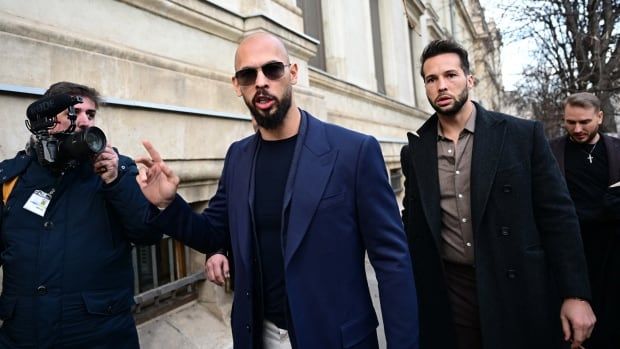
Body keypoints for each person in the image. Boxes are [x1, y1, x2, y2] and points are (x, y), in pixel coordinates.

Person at [136, 31, 419, 349]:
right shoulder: (238, 157)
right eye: (248, 74)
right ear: (237, 85)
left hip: (336, 339)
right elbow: (214, 234)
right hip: (261, 336)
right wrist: (168, 204)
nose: (261, 81)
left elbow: (392, 261)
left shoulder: (353, 151)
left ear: (293, 73)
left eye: (272, 69)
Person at [399, 39, 596, 349]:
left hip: (516, 285)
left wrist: (575, 294)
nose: (441, 86)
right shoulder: (415, 151)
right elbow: (412, 226)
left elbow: (558, 216)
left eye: (451, 75)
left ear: (469, 79)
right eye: (431, 79)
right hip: (451, 291)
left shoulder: (521, 135)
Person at [0, 81, 161, 348]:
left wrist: (115, 181)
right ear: (46, 119)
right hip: (22, 337)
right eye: (74, 113)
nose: (85, 122)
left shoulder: (117, 170)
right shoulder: (12, 177)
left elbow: (148, 233)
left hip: (100, 336)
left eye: (91, 114)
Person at [550, 92, 620, 349]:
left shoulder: (617, 150)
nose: (577, 129)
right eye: (570, 122)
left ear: (600, 117)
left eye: (584, 122)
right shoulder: (550, 151)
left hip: (611, 256)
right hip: (570, 253)